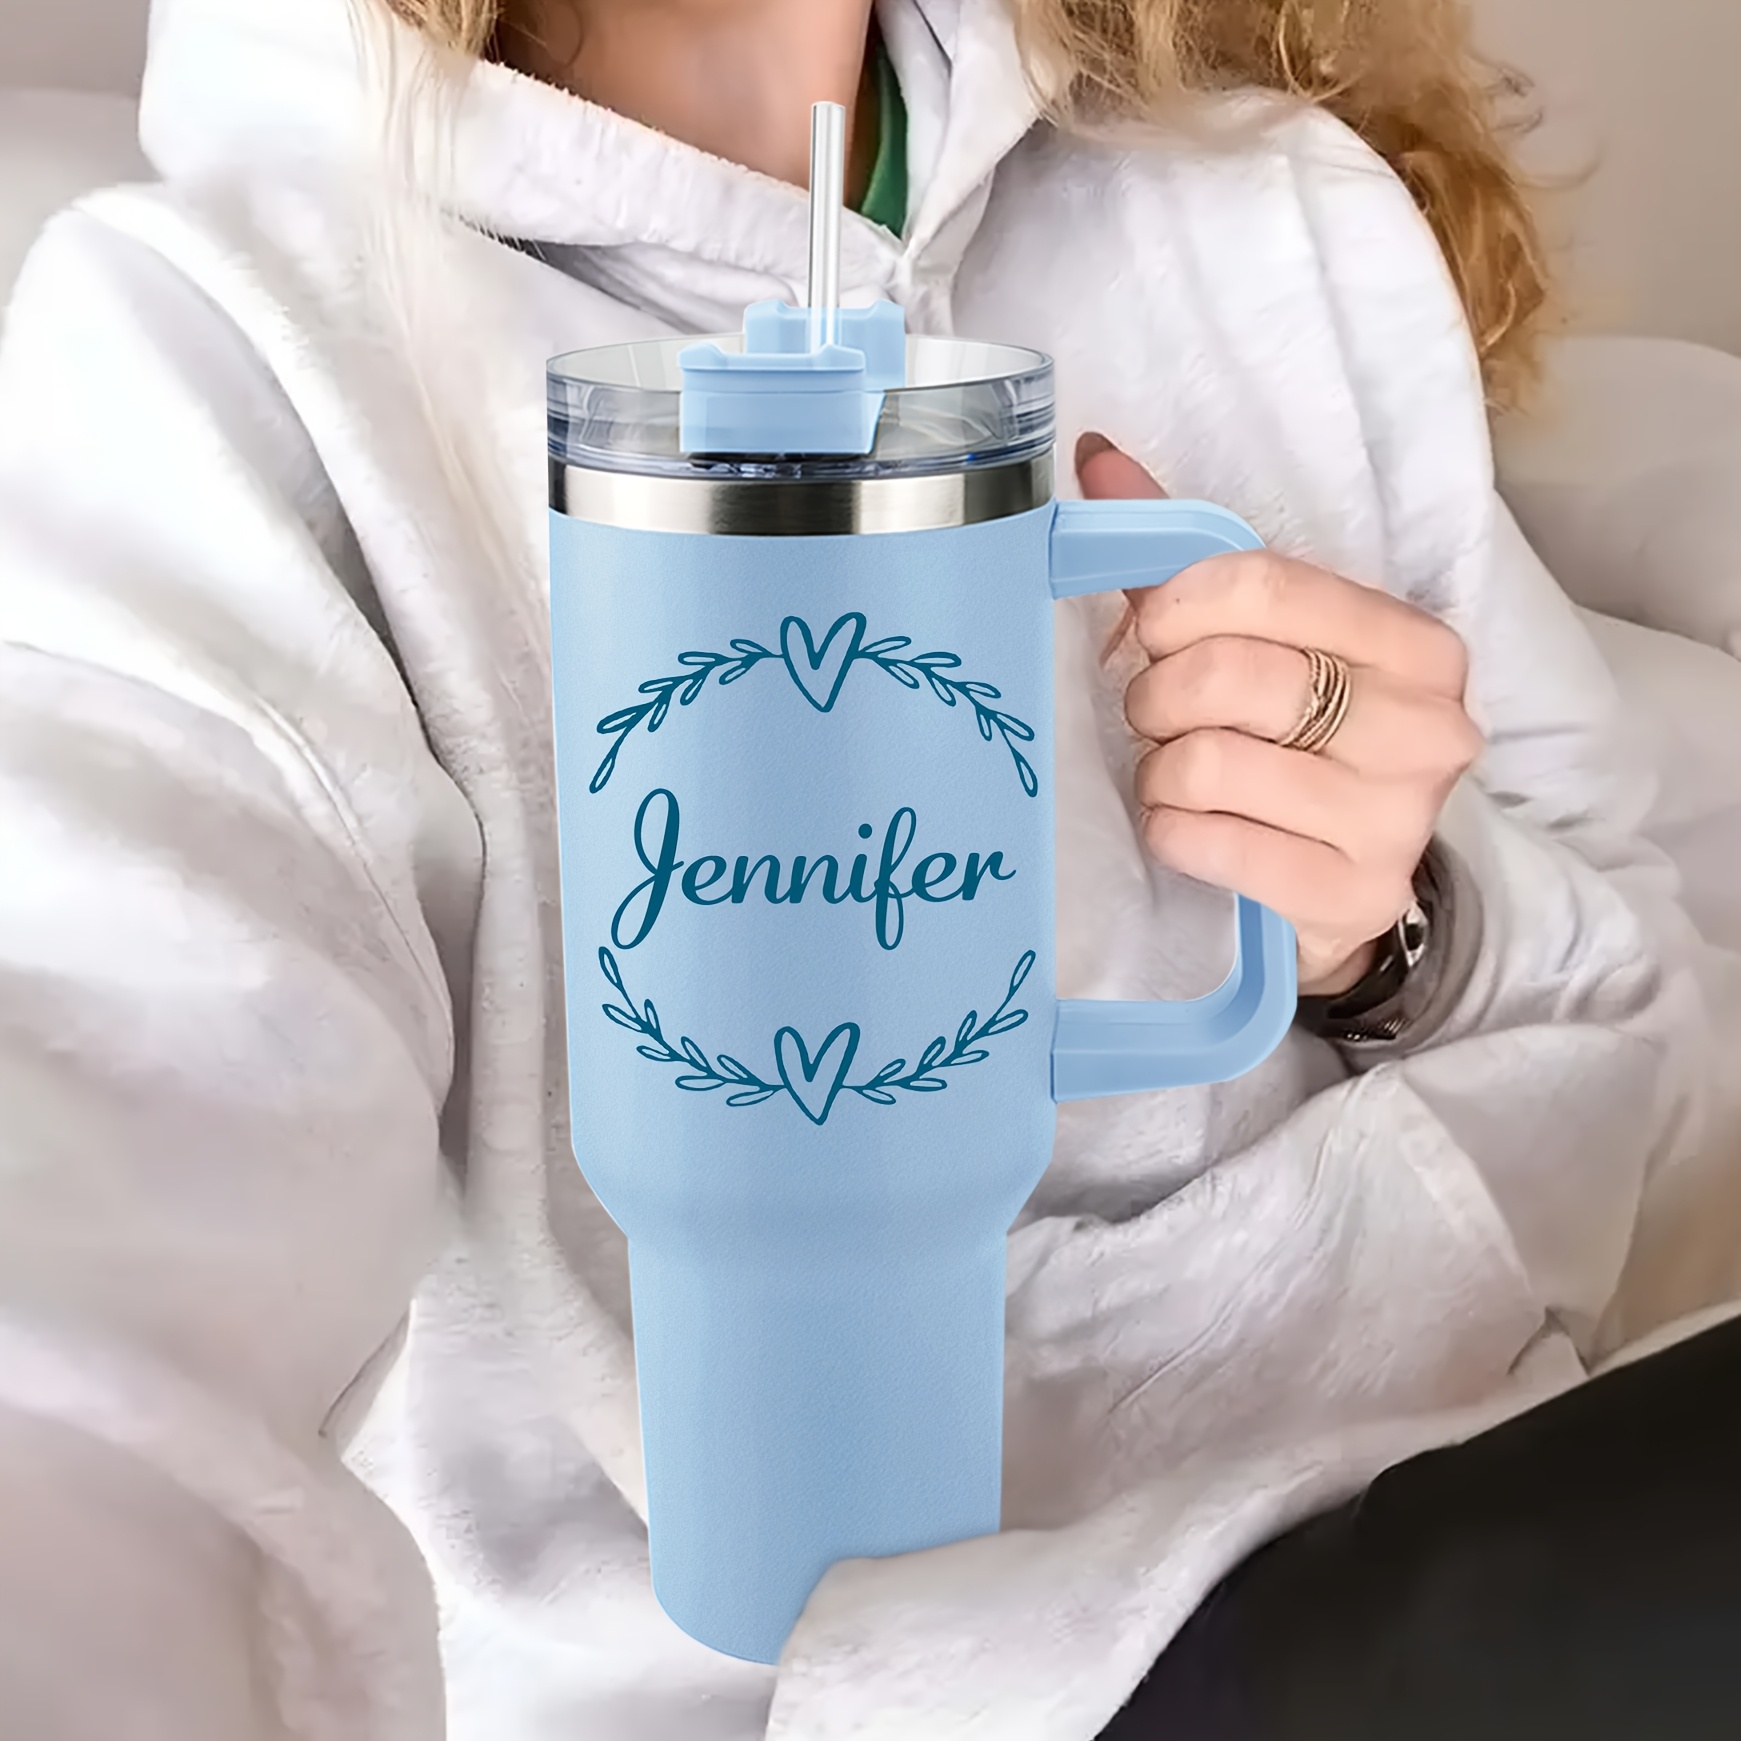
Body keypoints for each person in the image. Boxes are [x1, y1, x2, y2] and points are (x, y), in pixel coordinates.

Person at [0, 0, 1725, 1736]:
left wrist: (1391, 938)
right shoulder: (211, 357)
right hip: (958, 1680)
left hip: (1495, 1464)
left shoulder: (1279, 213)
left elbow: (1655, 1033)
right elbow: (121, 1166)